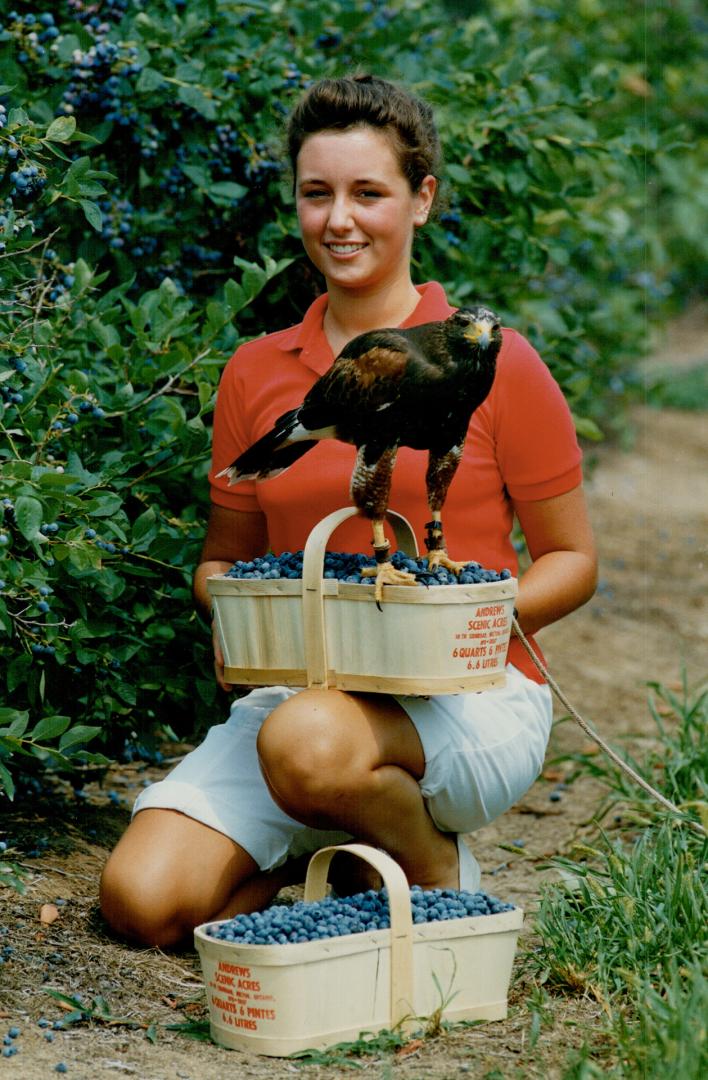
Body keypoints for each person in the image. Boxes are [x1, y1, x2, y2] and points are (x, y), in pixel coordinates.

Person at [100, 75, 597, 948]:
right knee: (141, 901)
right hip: (301, 694)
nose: (340, 219)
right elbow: (220, 564)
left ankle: (437, 875)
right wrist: (259, 618)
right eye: (316, 193)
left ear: (421, 199)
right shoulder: (257, 370)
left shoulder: (498, 360)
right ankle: (320, 864)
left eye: (369, 192)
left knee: (309, 740)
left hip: (469, 697)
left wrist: (465, 618)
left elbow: (573, 559)